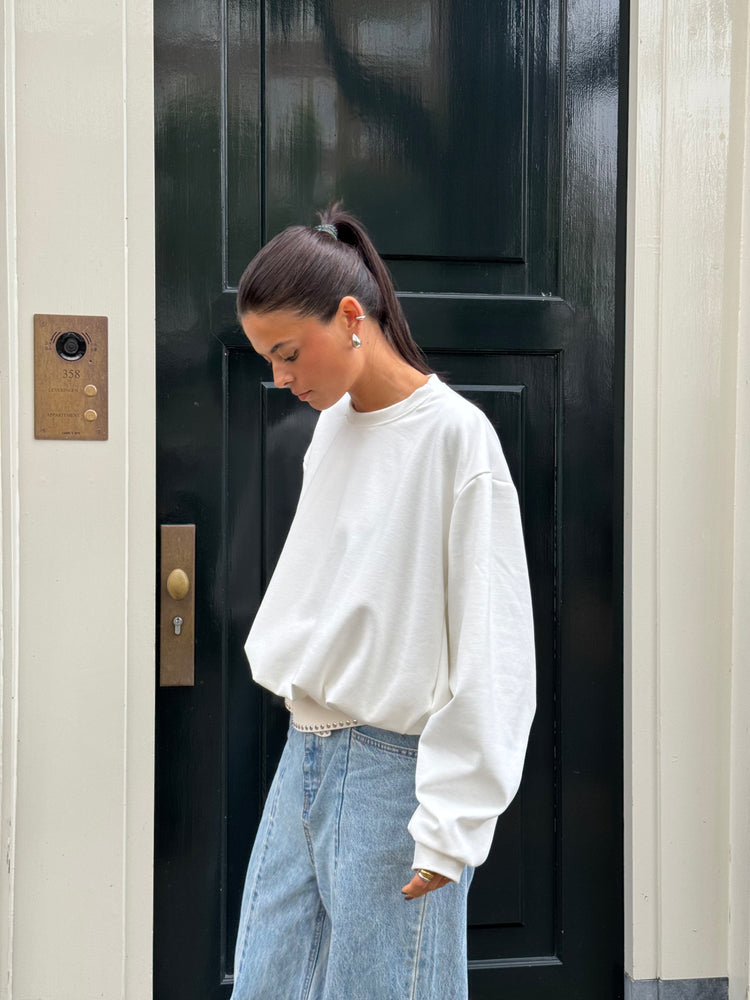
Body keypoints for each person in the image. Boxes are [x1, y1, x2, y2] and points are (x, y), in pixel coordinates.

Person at [230, 206, 536, 1000]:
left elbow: (495, 645)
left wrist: (452, 824)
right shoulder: (333, 430)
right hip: (307, 753)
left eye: (289, 353)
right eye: (269, 358)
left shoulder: (455, 440)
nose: (282, 378)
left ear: (352, 316)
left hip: (395, 777)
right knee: (269, 983)